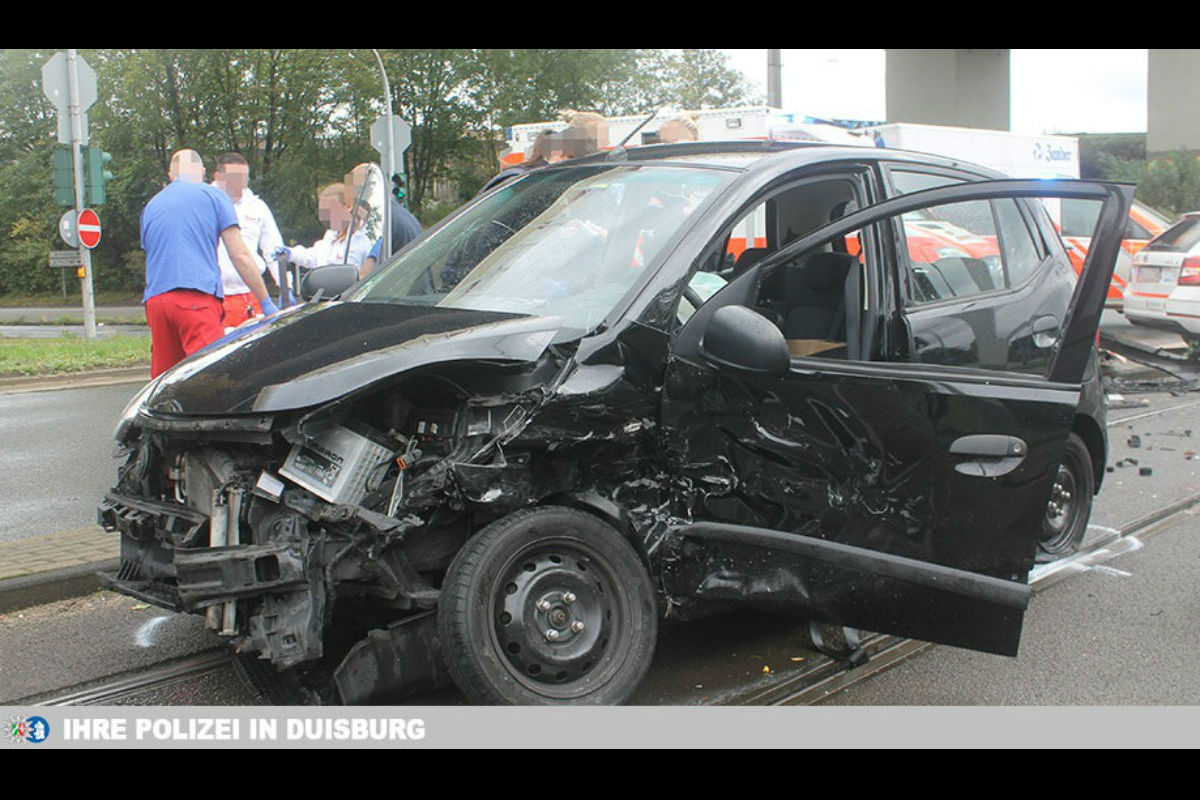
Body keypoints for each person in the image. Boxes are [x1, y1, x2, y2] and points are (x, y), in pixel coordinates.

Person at [141, 149, 278, 377]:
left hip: (156, 303)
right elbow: (240, 256)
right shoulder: (214, 196)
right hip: (196, 299)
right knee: (209, 376)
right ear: (203, 172)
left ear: (171, 175)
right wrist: (266, 301)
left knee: (166, 380)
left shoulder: (151, 206)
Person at [212, 152, 286, 327]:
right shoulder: (204, 203)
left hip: (251, 295)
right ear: (218, 177)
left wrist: (285, 286)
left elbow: (274, 249)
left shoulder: (257, 207)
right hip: (214, 295)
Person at [349, 164, 423, 278]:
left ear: (371, 188)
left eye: (353, 189)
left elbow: (365, 274)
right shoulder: (395, 212)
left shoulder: (382, 220)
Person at [282, 183, 372, 271]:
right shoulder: (331, 235)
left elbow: (363, 274)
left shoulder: (362, 244)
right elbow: (313, 257)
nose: (356, 221)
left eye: (360, 218)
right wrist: (291, 254)